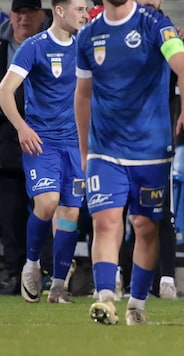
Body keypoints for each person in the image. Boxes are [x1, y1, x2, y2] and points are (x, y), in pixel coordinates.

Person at [75, 0, 184, 325]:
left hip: (150, 150)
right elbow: (84, 95)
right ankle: (105, 298)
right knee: (104, 222)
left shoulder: (156, 24)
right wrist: (84, 151)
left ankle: (137, 304)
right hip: (105, 149)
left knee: (145, 227)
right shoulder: (88, 34)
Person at [0, 0, 88, 304]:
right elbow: (4, 90)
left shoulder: (85, 46)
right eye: (79, 8)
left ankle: (60, 285)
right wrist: (23, 128)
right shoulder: (34, 46)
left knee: (70, 213)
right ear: (60, 11)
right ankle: (32, 264)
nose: (85, 13)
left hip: (75, 144)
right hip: (42, 142)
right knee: (48, 203)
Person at [135, 0, 184, 300]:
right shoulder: (118, 28)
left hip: (156, 134)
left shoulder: (169, 32)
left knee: (160, 210)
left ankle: (166, 279)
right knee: (118, 214)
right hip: (118, 134)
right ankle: (117, 278)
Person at [0, 0, 48, 296]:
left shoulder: (52, 43)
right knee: (11, 216)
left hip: (45, 142)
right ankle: (14, 273)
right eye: (18, 12)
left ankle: (51, 272)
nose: (23, 18)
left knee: (48, 208)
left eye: (29, 12)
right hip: (6, 146)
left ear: (41, 15)